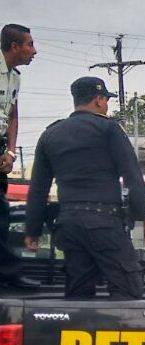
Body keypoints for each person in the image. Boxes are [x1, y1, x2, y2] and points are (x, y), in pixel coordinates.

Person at [25, 76, 145, 299]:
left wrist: (33, 230)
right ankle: (119, 332)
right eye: (106, 100)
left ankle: (82, 331)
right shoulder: (108, 129)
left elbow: (38, 188)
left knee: (79, 290)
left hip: (69, 225)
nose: (106, 105)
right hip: (104, 223)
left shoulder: (50, 134)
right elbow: (131, 174)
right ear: (98, 100)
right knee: (128, 287)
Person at [0, 23, 39, 288]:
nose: (34, 51)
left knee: (2, 213)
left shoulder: (14, 76)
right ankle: (8, 273)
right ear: (15, 46)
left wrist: (11, 151)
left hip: (2, 145)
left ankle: (7, 274)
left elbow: (12, 114)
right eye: (30, 44)